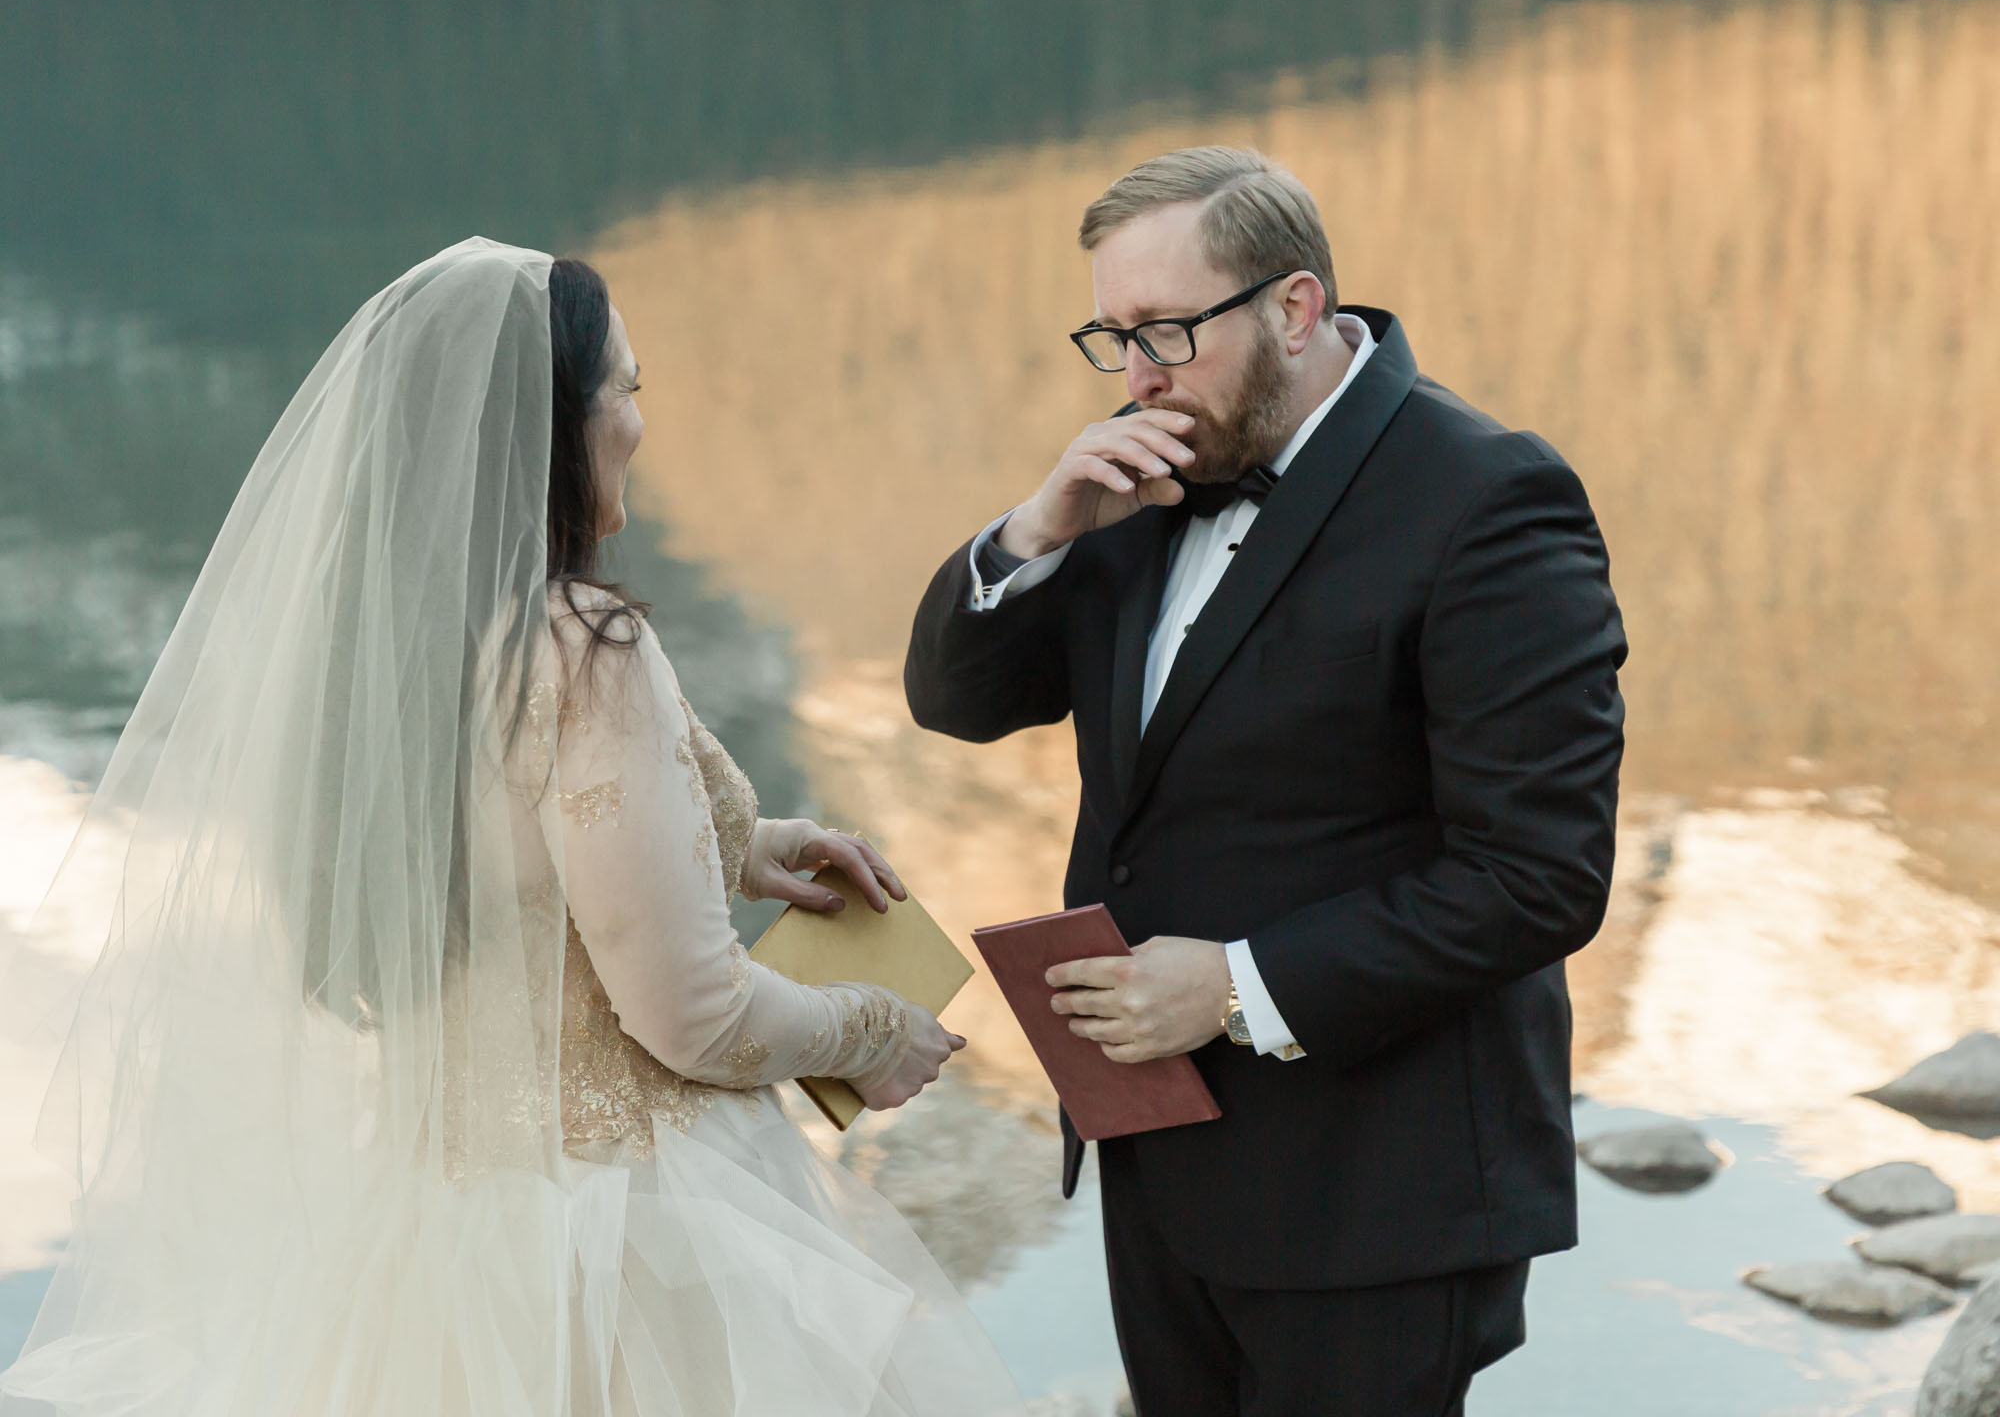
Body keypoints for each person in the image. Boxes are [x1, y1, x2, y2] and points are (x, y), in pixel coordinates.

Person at [0, 240, 1021, 1416]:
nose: (641, 419)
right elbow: (691, 1013)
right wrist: (869, 1029)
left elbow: (505, 846)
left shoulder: (373, 658)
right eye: (626, 390)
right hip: (636, 1232)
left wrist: (743, 838)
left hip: (436, 1230)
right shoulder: (583, 647)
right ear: (552, 430)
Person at [904, 148, 1627, 1416]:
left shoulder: (1488, 498)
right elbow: (957, 703)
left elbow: (1539, 878)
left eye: (1167, 330)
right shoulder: (1143, 474)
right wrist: (1035, 529)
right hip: (1162, 1165)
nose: (1137, 373)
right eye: (1111, 335)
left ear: (1293, 309)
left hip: (1373, 1197)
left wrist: (1235, 988)